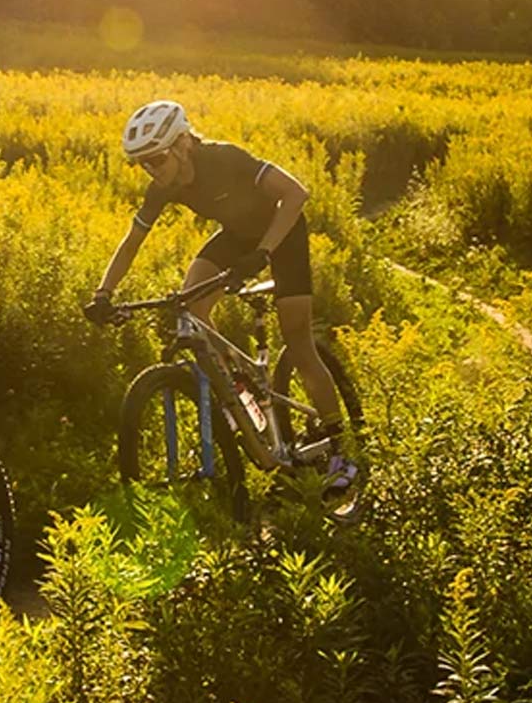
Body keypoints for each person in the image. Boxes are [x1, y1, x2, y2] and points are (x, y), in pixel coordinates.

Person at [84, 99, 357, 488]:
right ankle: (240, 387)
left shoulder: (225, 159)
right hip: (236, 237)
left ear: (182, 145)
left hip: (283, 232)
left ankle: (342, 451)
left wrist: (264, 252)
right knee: (191, 305)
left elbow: (296, 194)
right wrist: (103, 293)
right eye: (142, 163)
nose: (150, 170)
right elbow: (132, 242)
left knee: (297, 341)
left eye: (156, 159)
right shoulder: (162, 187)